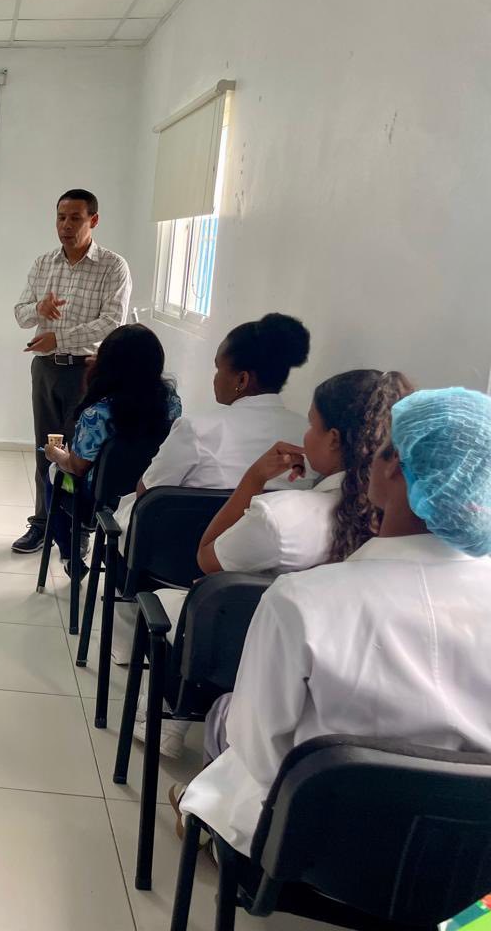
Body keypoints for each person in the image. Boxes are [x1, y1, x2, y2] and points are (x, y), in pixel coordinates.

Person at [176, 387, 491, 855]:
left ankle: (205, 831)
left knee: (228, 728)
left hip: (321, 852)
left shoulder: (304, 601)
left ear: (393, 469)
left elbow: (259, 754)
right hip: (467, 862)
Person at [139, 369, 413, 759]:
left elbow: (208, 558)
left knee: (189, 602)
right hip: (353, 702)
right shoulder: (400, 525)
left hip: (249, 664)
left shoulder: (281, 517)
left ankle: (169, 722)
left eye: (311, 425)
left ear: (333, 440)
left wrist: (253, 479)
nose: (304, 435)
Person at [111, 312, 313, 537]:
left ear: (242, 380)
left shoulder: (195, 429)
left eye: (218, 369)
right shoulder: (308, 436)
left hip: (177, 559)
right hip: (267, 564)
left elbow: (147, 492)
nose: (215, 379)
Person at [12, 188, 132, 554]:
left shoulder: (113, 266)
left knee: (80, 453)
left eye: (75, 218)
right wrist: (39, 309)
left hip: (88, 371)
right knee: (46, 449)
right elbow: (20, 313)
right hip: (46, 369)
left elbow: (112, 323)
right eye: (61, 217)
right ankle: (42, 523)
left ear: (93, 220)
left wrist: (59, 337)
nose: (65, 225)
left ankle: (77, 529)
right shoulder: (44, 263)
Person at [42, 324, 181, 574]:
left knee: (54, 474)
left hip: (97, 502)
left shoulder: (98, 414)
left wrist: (55, 454)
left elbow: (77, 466)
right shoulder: (171, 403)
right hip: (151, 497)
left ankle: (71, 555)